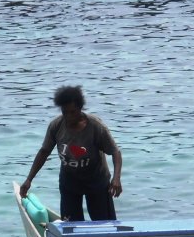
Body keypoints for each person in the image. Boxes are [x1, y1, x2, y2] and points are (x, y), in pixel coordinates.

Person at [20, 85, 123, 221]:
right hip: (70, 182)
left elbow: (115, 152)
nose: (68, 117)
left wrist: (116, 179)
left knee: (105, 223)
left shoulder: (96, 127)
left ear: (80, 109)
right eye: (65, 112)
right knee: (70, 225)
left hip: (96, 181)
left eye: (73, 112)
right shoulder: (56, 126)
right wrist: (29, 179)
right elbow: (44, 152)